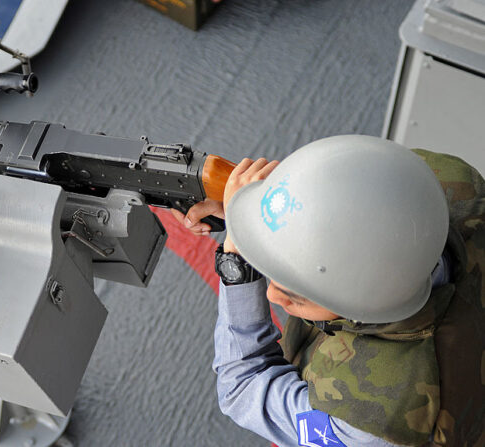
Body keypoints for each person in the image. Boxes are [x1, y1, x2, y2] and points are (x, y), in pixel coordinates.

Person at [172, 135, 485, 447]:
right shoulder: (451, 180)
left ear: (361, 306)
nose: (272, 297)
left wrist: (238, 262)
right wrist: (255, 218)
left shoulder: (370, 421)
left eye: (295, 296)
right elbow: (354, 196)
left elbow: (242, 387)